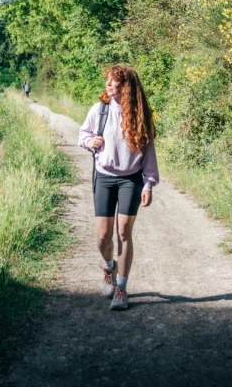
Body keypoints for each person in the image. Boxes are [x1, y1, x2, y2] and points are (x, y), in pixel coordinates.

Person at [78, 64, 159, 310]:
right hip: (103, 177)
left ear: (127, 86)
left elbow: (149, 153)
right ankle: (108, 267)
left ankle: (122, 289)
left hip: (130, 179)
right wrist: (90, 141)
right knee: (103, 236)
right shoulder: (99, 110)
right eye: (108, 81)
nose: (110, 85)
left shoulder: (141, 113)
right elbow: (82, 135)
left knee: (124, 233)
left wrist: (149, 184)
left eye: (116, 82)